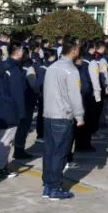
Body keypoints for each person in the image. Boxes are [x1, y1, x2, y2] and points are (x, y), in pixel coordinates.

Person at [41, 38, 84, 200]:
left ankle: (47, 185)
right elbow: (75, 95)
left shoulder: (52, 67)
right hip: (63, 115)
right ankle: (55, 187)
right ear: (73, 51)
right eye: (78, 49)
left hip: (48, 114)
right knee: (60, 153)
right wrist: (79, 115)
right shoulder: (71, 70)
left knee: (49, 151)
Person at [0, 43, 25, 178]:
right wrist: (21, 113)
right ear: (18, 52)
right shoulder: (14, 70)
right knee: (6, 140)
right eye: (22, 50)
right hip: (9, 109)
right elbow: (17, 93)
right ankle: (0, 168)